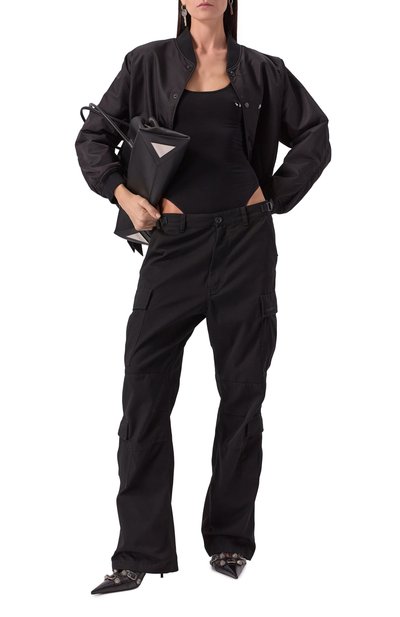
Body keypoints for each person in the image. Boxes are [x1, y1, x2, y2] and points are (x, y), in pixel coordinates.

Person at [75, 0, 331, 595]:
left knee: (242, 394)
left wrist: (273, 196)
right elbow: (93, 138)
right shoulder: (145, 64)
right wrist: (123, 195)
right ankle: (137, 553)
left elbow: (315, 134)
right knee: (144, 395)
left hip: (246, 244)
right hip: (173, 246)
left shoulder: (264, 70)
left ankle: (229, 541)